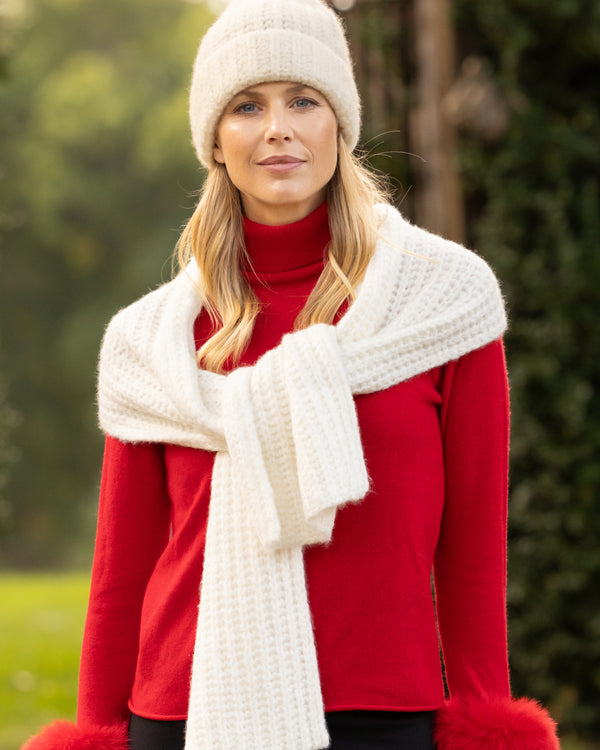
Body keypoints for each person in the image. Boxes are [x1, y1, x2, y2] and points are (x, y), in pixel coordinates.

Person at [23, 1, 560, 749]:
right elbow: (122, 575)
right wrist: (96, 731)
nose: (277, 127)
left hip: (383, 713)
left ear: (338, 122)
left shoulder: (442, 301)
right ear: (216, 138)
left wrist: (483, 715)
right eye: (247, 106)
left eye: (303, 100)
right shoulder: (152, 342)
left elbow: (471, 547)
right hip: (182, 714)